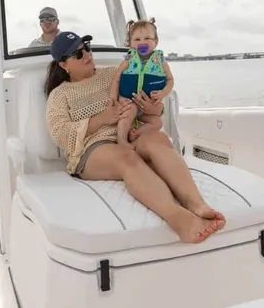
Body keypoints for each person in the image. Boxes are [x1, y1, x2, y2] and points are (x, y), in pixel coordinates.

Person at [44, 30, 226, 244]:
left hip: (132, 131)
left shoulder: (114, 74)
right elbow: (60, 134)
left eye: (87, 49)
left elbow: (150, 105)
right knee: (125, 157)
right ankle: (180, 220)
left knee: (158, 140)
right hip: (92, 147)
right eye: (77, 54)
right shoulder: (60, 95)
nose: (87, 55)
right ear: (63, 65)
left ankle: (196, 203)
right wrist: (102, 118)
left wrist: (152, 107)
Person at [110, 18, 174, 147]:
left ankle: (135, 133)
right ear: (130, 43)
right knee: (128, 115)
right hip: (129, 102)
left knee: (157, 123)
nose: (142, 42)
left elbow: (170, 80)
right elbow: (116, 79)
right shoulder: (129, 60)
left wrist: (162, 93)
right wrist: (113, 98)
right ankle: (122, 140)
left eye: (147, 38)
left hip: (145, 109)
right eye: (137, 39)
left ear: (155, 42)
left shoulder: (160, 62)